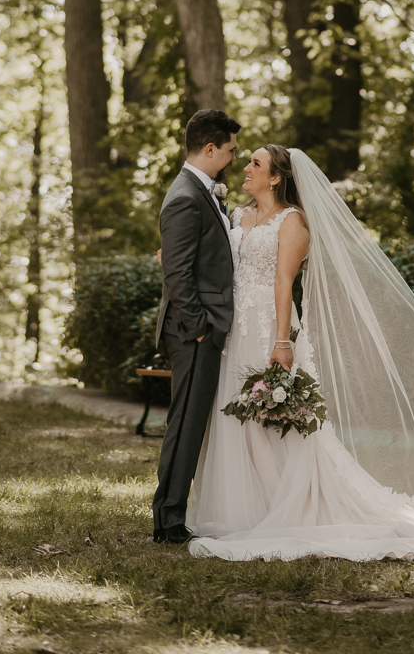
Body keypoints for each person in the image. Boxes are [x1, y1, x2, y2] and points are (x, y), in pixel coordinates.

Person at [187, 145, 414, 561]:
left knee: (270, 420)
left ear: (276, 177)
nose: (245, 167)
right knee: (234, 416)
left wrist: (282, 342)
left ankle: (282, 509)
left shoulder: (293, 222)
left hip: (268, 326)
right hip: (232, 329)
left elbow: (283, 283)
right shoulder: (237, 216)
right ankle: (241, 510)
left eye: (255, 164)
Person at [151, 108, 240, 544]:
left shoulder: (198, 191)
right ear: (210, 149)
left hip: (198, 328)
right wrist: (201, 326)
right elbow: (177, 276)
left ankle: (171, 515)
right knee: (185, 426)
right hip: (192, 332)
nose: (232, 159)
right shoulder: (186, 195)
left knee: (190, 425)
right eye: (229, 151)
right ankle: (168, 520)